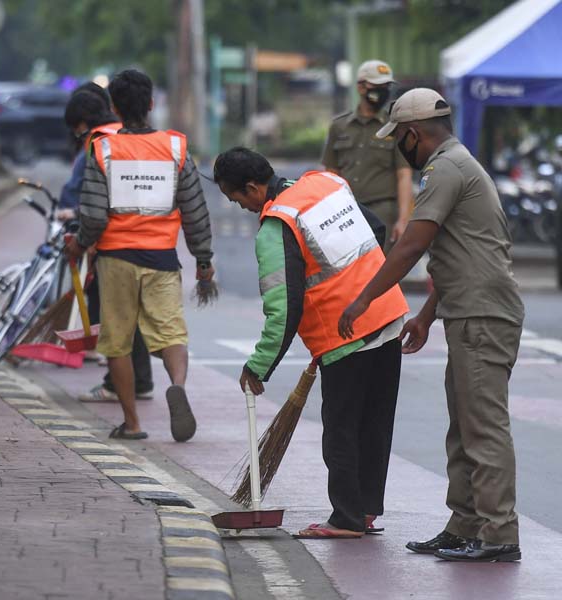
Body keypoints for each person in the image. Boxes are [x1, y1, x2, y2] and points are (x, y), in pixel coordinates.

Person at [338, 89, 524, 562]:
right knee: (464, 425)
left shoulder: (445, 169)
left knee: (482, 427)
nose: (400, 146)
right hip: (468, 309)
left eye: (400, 138)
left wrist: (362, 299)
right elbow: (455, 253)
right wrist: (425, 315)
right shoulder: (456, 164)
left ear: (414, 134)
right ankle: (464, 525)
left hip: (482, 313)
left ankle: (499, 533)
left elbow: (410, 248)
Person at [213, 147, 408, 538]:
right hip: (388, 316)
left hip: (346, 334)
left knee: (340, 430)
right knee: (374, 423)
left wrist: (258, 366)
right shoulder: (325, 184)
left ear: (252, 187)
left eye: (237, 199)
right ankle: (366, 510)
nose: (241, 207)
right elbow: (377, 230)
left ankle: (347, 520)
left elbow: (283, 310)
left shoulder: (277, 225)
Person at [65, 69, 214, 441]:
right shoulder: (176, 148)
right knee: (169, 333)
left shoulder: (102, 148)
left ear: (113, 107)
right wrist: (204, 261)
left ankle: (132, 423)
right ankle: (176, 384)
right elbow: (195, 210)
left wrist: (80, 244)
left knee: (117, 340)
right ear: (151, 104)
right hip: (161, 257)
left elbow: (94, 215)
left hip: (116, 258)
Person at [59, 87, 156, 402]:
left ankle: (118, 385)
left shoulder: (98, 143)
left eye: (76, 128)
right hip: (150, 238)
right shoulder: (132, 135)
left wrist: (83, 239)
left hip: (112, 242)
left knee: (111, 316)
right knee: (135, 315)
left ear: (83, 123)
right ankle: (141, 380)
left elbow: (95, 200)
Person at [322, 60, 413, 252]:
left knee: (381, 271)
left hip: (383, 212)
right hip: (348, 212)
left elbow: (404, 174)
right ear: (361, 87)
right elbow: (330, 174)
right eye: (377, 86)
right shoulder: (339, 126)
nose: (383, 91)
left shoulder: (394, 126)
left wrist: (403, 220)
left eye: (386, 86)